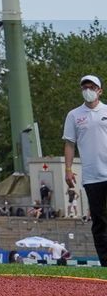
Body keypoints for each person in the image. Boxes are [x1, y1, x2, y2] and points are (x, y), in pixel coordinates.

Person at [62, 71, 107, 267]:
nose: (88, 90)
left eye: (92, 87)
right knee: (99, 220)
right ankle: (105, 263)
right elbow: (69, 144)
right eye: (85, 87)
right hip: (92, 176)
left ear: (100, 91)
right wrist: (68, 169)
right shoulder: (74, 115)